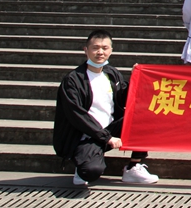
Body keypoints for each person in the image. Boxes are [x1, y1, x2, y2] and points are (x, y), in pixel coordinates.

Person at [53, 30, 159, 186]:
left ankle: (133, 167)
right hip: (87, 135)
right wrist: (106, 138)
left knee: (144, 117)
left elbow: (126, 96)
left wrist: (137, 78)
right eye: (95, 48)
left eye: (105, 48)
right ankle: (82, 164)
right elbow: (77, 116)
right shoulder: (73, 80)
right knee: (91, 171)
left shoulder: (111, 73)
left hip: (110, 128)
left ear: (111, 50)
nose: (100, 52)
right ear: (86, 50)